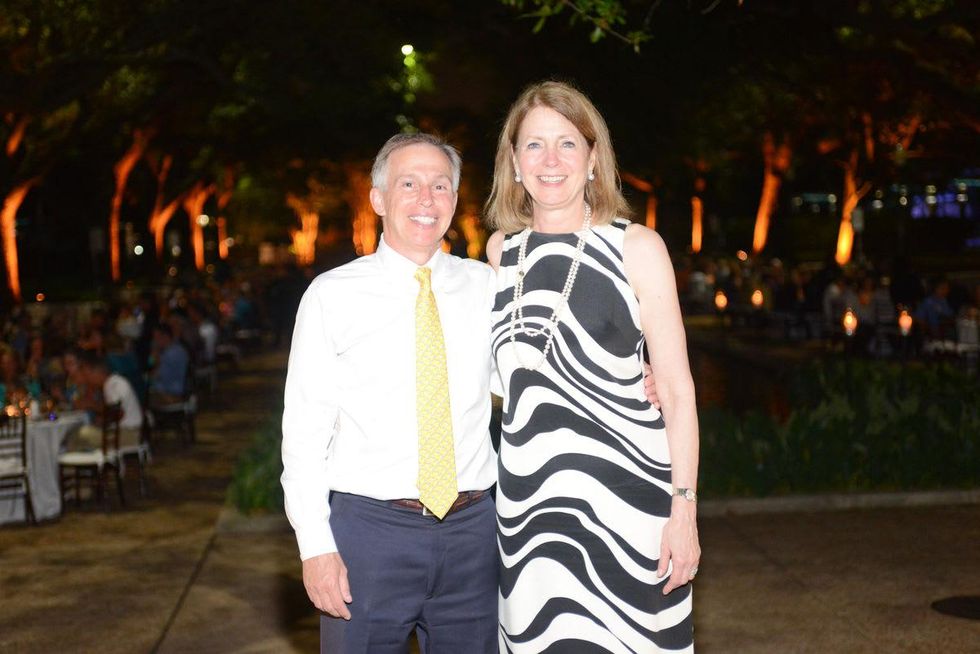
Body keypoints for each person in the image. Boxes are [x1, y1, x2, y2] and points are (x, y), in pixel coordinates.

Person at [485, 80, 699, 652]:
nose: (550, 161)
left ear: (593, 157)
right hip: (529, 518)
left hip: (629, 512)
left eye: (567, 144)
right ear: (513, 160)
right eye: (533, 145)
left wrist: (684, 511)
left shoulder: (637, 247)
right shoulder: (499, 253)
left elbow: (677, 391)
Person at [281, 133, 499, 653]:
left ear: (454, 200)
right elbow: (304, 434)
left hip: (474, 533)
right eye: (409, 184)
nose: (427, 199)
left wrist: (630, 377)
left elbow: (529, 377)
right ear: (378, 199)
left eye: (440, 185)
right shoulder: (332, 296)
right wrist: (316, 547)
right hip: (370, 536)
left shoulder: (488, 287)